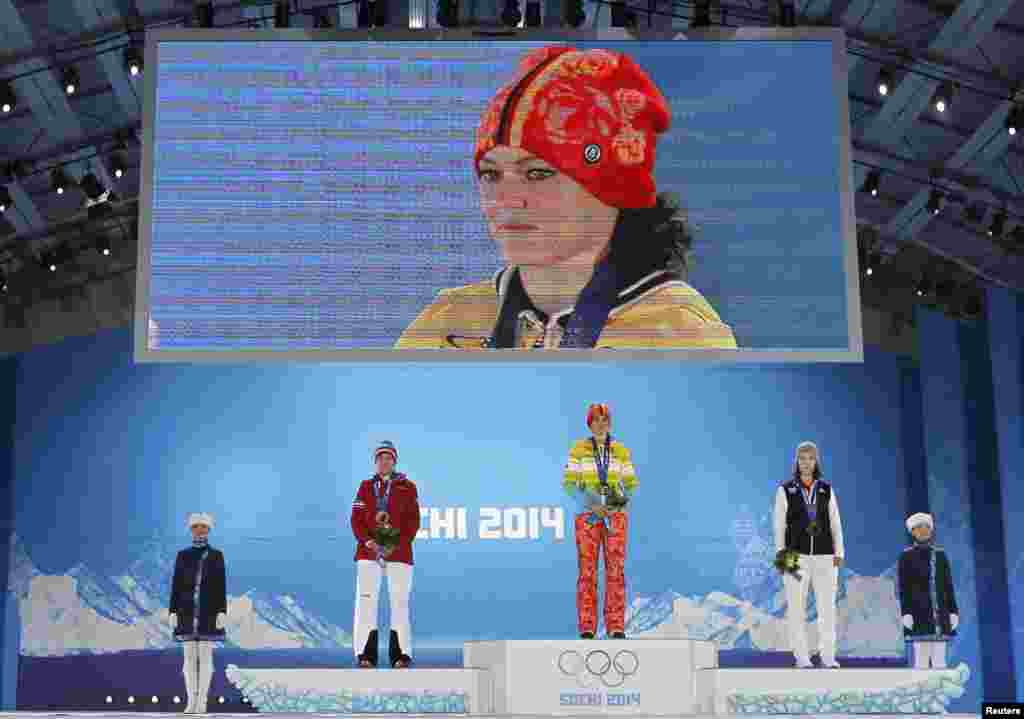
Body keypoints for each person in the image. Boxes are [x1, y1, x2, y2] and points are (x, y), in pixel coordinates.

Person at [395, 45, 737, 350]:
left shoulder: (679, 332)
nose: (507, 199)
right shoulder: (445, 322)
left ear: (608, 186)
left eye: (538, 173)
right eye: (491, 174)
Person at [562, 404, 638, 638]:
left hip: (615, 516)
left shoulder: (621, 451)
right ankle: (587, 626)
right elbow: (569, 484)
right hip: (587, 516)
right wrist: (592, 504)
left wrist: (613, 504)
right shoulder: (578, 450)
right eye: (595, 419)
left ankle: (615, 626)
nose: (600, 424)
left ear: (610, 423)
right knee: (587, 572)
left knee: (615, 570)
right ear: (589, 423)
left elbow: (632, 485)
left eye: (604, 419)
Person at [773, 441, 845, 668]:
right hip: (794, 555)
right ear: (796, 461)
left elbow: (835, 522)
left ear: (816, 462)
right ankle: (802, 658)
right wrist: (781, 554)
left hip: (825, 555)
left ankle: (828, 656)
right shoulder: (785, 490)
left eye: (810, 458)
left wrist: (839, 551)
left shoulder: (826, 489)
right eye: (802, 458)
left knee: (827, 608)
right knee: (796, 608)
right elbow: (779, 526)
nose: (806, 463)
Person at [350, 441, 421, 668]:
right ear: (375, 462)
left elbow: (413, 522)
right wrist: (369, 541)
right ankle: (365, 654)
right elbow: (356, 519)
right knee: (366, 602)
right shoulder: (365, 486)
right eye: (380, 458)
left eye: (388, 457)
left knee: (399, 602)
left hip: (399, 553)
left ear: (395, 461)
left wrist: (395, 545)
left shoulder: (408, 487)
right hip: (368, 553)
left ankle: (401, 655)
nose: (384, 461)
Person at [168, 513, 227, 714]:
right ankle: (190, 701)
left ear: (209, 530)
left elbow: (221, 585)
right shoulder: (182, 555)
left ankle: (202, 701)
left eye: (203, 526)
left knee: (206, 659)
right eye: (196, 526)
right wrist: (173, 610)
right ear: (190, 529)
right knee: (188, 660)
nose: (199, 529)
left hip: (208, 613)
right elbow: (176, 585)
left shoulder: (216, 555)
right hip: (185, 613)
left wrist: (222, 611)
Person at [897, 512, 959, 669]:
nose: (924, 531)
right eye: (919, 528)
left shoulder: (940, 555)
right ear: (913, 532)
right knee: (921, 661)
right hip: (919, 614)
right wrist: (906, 612)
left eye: (926, 528)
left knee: (940, 662)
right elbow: (904, 588)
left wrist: (953, 611)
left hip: (940, 614)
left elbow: (948, 586)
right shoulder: (906, 557)